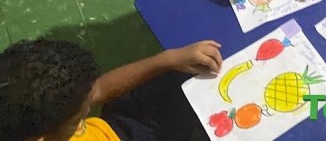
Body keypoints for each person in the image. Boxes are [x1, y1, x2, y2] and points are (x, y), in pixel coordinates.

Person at [0, 37, 222, 141]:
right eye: (77, 120)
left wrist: (168, 60)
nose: (88, 111)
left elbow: (99, 89)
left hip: (118, 125)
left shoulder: (27, 108)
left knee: (185, 79)